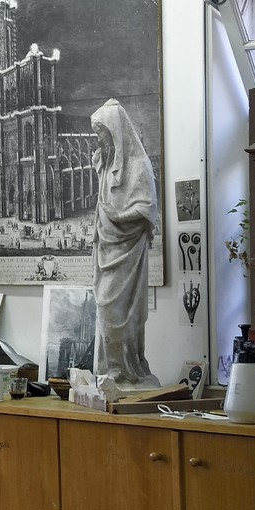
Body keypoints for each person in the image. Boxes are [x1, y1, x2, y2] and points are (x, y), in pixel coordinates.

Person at [90, 99, 160, 386]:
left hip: (127, 249)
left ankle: (125, 368)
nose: (99, 138)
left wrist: (119, 215)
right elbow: (104, 202)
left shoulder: (138, 165)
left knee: (116, 309)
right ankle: (112, 366)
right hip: (107, 247)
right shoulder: (107, 163)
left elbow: (146, 209)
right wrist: (99, 171)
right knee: (105, 307)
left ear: (115, 131)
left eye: (102, 132)